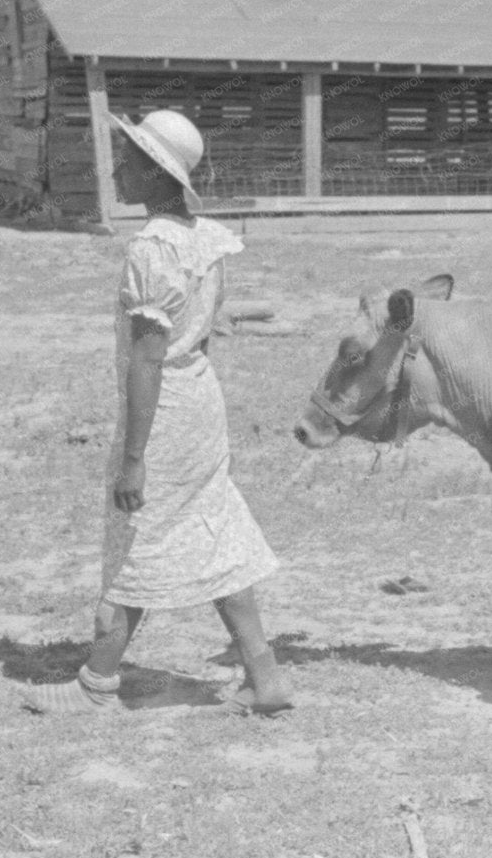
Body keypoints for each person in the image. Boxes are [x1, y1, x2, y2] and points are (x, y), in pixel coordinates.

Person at [21, 109, 293, 716]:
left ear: (155, 174)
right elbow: (202, 333)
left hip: (165, 408)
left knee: (136, 535)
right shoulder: (204, 239)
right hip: (200, 399)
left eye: (129, 159)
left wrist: (136, 458)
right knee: (210, 527)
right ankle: (265, 675)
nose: (118, 168)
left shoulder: (153, 248)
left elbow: (147, 359)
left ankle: (97, 682)